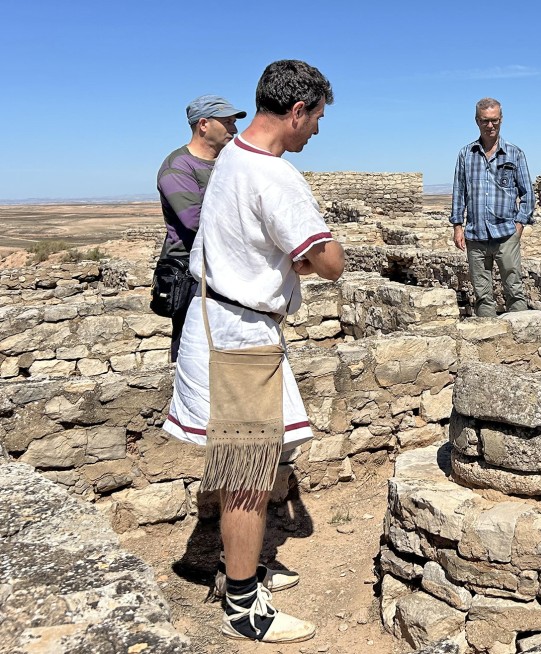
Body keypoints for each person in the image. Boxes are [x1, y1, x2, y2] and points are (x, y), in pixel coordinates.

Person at [162, 60, 343, 644]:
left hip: (219, 320)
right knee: (248, 469)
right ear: (296, 112)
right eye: (315, 118)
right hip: (239, 337)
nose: (316, 130)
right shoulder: (276, 176)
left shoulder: (232, 155)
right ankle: (244, 604)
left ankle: (232, 562)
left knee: (239, 459)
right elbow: (331, 262)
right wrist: (315, 257)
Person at [156, 95, 246, 360]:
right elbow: (195, 221)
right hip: (191, 274)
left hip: (228, 268)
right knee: (192, 350)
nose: (234, 129)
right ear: (204, 125)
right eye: (227, 122)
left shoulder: (230, 163)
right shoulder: (178, 167)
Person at [450, 98, 535, 317]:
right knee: (482, 293)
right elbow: (459, 191)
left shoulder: (515, 154)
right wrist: (458, 226)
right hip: (476, 234)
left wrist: (519, 226)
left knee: (514, 288)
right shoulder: (466, 154)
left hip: (506, 233)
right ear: (477, 120)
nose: (490, 126)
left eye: (495, 120)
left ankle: (521, 342)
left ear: (501, 119)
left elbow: (527, 194)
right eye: (485, 121)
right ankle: (488, 344)